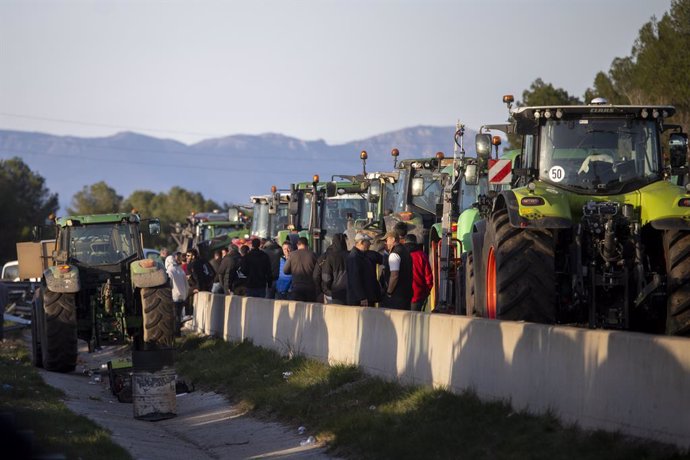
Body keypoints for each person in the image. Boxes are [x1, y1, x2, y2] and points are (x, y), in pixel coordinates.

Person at [346, 232, 380, 307]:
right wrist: (362, 297)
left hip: (366, 297)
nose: (370, 244)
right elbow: (355, 279)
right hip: (360, 300)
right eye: (368, 242)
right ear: (361, 242)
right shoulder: (354, 257)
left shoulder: (363, 255)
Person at [382, 230, 413, 310]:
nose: (386, 243)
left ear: (393, 239)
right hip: (406, 294)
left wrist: (389, 292)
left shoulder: (394, 254)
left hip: (396, 296)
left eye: (387, 240)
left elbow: (394, 276)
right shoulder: (405, 251)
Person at [283, 237, 318, 301]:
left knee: (298, 309)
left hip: (296, 287)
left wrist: (294, 270)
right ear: (307, 245)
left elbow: (285, 270)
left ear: (297, 245)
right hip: (310, 288)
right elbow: (318, 272)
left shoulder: (292, 255)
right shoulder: (313, 255)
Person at [405, 234, 433, 311]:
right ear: (416, 243)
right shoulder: (422, 255)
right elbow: (429, 278)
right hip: (418, 295)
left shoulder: (400, 255)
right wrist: (426, 292)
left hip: (403, 296)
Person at [322, 233, 349, 305]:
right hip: (349, 293)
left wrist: (327, 290)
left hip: (335, 293)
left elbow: (326, 277)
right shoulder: (350, 256)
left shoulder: (331, 257)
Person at [165, 254, 188, 336]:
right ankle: (178, 332)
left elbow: (169, 284)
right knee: (178, 315)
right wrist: (185, 295)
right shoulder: (180, 270)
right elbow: (186, 284)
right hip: (182, 295)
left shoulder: (169, 271)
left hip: (174, 296)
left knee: (174, 316)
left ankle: (175, 333)